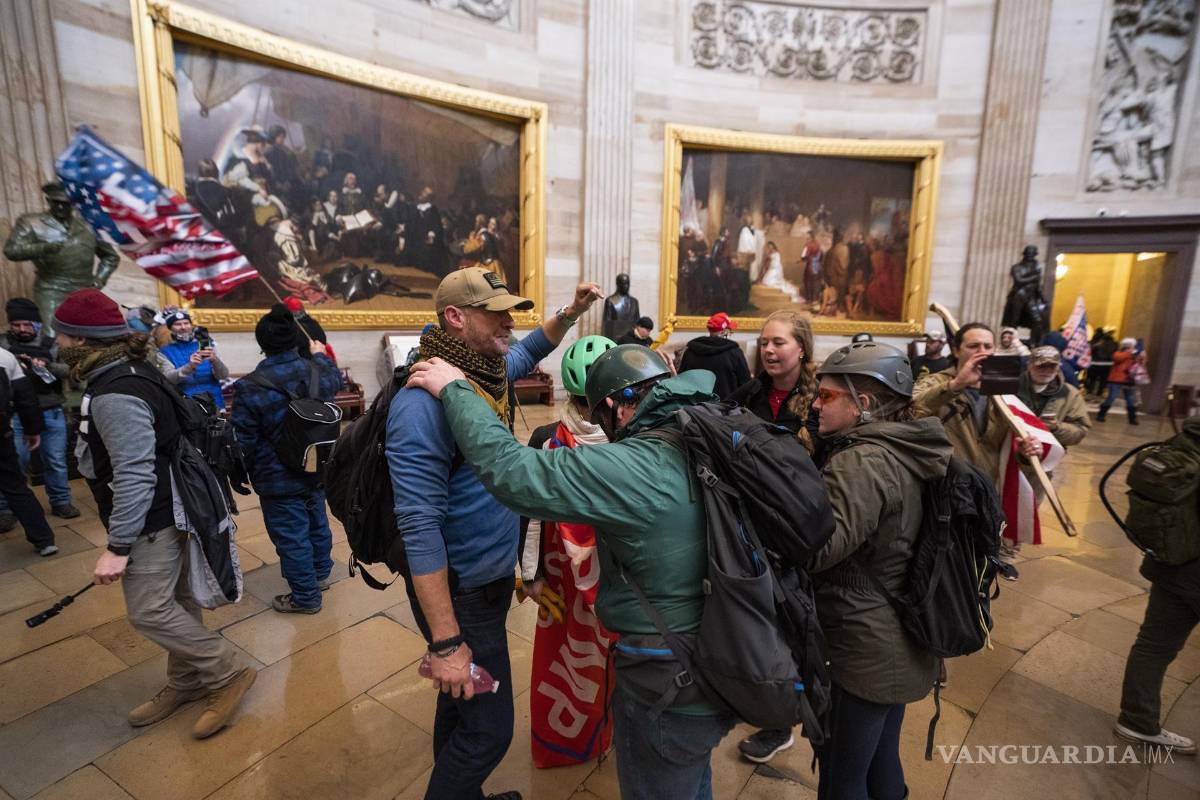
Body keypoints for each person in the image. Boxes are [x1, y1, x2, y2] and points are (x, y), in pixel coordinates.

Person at [406, 344, 733, 800]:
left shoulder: (638, 462)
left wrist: (458, 390)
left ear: (618, 407)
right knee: (693, 775)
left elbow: (514, 472)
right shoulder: (714, 425)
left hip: (669, 667)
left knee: (660, 780)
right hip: (726, 643)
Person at [385, 268, 602, 800]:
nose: (509, 321)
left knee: (458, 704)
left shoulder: (481, 369)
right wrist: (446, 641)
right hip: (460, 591)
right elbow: (418, 528)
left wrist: (570, 313)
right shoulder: (421, 406)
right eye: (496, 312)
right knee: (489, 730)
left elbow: (527, 350)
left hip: (486, 579)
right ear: (456, 318)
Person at [54, 288, 255, 739]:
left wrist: (118, 547)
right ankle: (186, 681)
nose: (59, 345)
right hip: (176, 505)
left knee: (147, 610)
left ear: (83, 342)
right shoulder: (134, 368)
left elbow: (134, 474)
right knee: (179, 599)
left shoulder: (115, 393)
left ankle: (226, 672)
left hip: (155, 516)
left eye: (63, 337)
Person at [806, 341, 949, 799]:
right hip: (899, 637)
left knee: (841, 780)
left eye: (826, 396)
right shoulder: (908, 445)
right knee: (881, 762)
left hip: (861, 646)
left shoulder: (861, 462)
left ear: (863, 405)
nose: (814, 404)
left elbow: (816, 551)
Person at [520, 335, 620, 769]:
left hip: (615, 573)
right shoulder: (548, 438)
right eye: (583, 401)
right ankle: (565, 742)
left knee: (615, 659)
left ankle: (610, 730)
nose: (590, 409)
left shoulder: (632, 437)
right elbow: (529, 511)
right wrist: (529, 575)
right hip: (561, 568)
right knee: (564, 657)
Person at [729, 310, 820, 764]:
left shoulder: (823, 400)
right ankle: (776, 711)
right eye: (764, 342)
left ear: (801, 348)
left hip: (806, 531)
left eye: (779, 342)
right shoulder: (750, 394)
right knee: (766, 623)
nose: (768, 349)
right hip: (758, 527)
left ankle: (794, 711)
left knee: (800, 626)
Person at [231, 304, 343, 613]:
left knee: (292, 536)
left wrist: (243, 472)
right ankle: (320, 573)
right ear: (297, 340)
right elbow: (336, 379)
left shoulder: (250, 386)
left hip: (276, 475)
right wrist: (319, 353)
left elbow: (245, 439)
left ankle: (306, 597)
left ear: (262, 344)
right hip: (316, 464)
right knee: (317, 522)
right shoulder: (319, 370)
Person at [1114, 421, 1199, 755]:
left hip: (1171, 560)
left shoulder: (1188, 436)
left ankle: (1136, 720)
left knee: (1153, 645)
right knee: (1155, 645)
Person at [913, 323, 1040, 483]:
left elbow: (1008, 446)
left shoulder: (1004, 391)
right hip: (944, 486)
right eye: (974, 346)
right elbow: (908, 411)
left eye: (988, 346)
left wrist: (1024, 453)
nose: (982, 352)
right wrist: (956, 385)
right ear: (956, 351)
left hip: (986, 488)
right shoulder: (935, 381)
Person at [3, 181, 120, 332]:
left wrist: (99, 280)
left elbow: (110, 257)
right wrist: (43, 247)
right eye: (56, 202)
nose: (60, 207)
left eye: (66, 203)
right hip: (51, 288)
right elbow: (11, 250)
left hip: (84, 289)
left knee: (86, 333)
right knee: (52, 334)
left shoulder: (88, 225)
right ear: (48, 200)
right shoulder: (31, 222)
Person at [0, 297, 79, 520]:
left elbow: (71, 370)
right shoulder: (3, 345)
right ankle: (6, 509)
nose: (22, 329)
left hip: (50, 409)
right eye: (16, 325)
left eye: (27, 325)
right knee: (14, 462)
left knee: (55, 461)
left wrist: (45, 366)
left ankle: (61, 502)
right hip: (15, 414)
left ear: (37, 324)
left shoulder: (52, 344)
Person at [0, 341, 57, 553]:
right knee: (15, 486)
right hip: (1, 433)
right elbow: (26, 398)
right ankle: (44, 540)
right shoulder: (5, 357)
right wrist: (32, 430)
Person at [1016, 347, 1091, 449]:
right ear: (1029, 365)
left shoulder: (1070, 394)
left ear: (1058, 368)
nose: (1046, 371)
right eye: (1041, 366)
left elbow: (1080, 430)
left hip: (1047, 453)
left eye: (1052, 366)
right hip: (1010, 448)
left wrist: (1056, 428)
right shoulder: (1012, 388)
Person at [155, 310, 229, 410]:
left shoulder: (207, 345)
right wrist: (189, 366)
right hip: (187, 406)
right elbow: (168, 380)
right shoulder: (164, 352)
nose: (183, 327)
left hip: (215, 403)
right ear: (170, 328)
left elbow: (223, 375)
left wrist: (215, 360)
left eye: (186, 323)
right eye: (178, 324)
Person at [678, 312, 750, 399]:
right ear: (724, 331)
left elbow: (681, 381)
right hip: (726, 409)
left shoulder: (690, 351)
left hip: (693, 409)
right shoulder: (735, 353)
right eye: (730, 330)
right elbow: (746, 385)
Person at [1098, 337, 1145, 425]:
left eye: (1131, 345)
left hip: (1129, 380)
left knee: (1131, 401)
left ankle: (1132, 418)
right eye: (1128, 345)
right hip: (1116, 380)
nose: (1130, 347)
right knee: (1111, 398)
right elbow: (1117, 358)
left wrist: (1141, 354)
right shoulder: (1119, 353)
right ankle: (1101, 414)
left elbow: (1142, 361)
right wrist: (1130, 353)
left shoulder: (1135, 355)